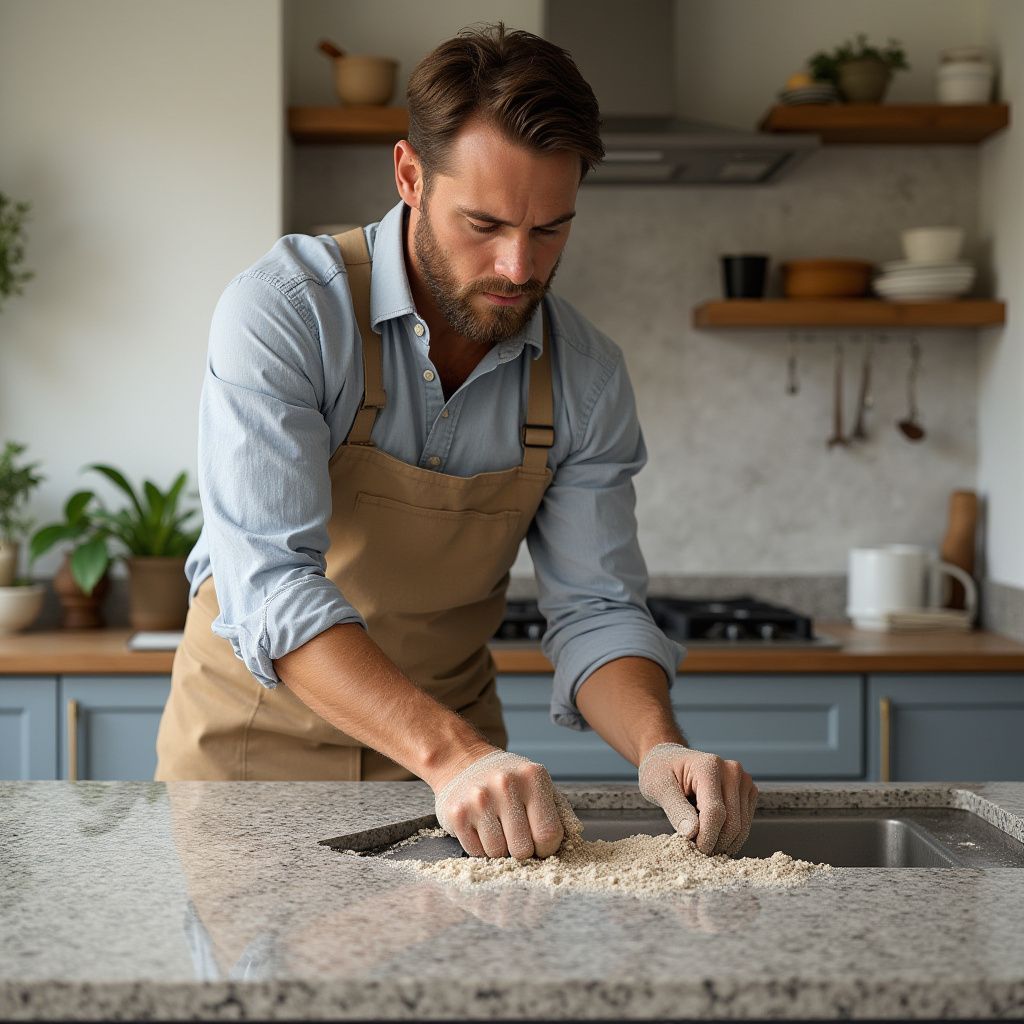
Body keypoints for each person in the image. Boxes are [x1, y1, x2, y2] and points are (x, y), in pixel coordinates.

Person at [155, 22, 758, 860]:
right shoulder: (287, 312)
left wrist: (657, 746)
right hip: (255, 754)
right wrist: (455, 755)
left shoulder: (585, 375)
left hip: (460, 777)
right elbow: (271, 589)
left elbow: (596, 611)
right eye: (485, 223)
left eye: (550, 229)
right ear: (410, 174)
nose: (519, 267)